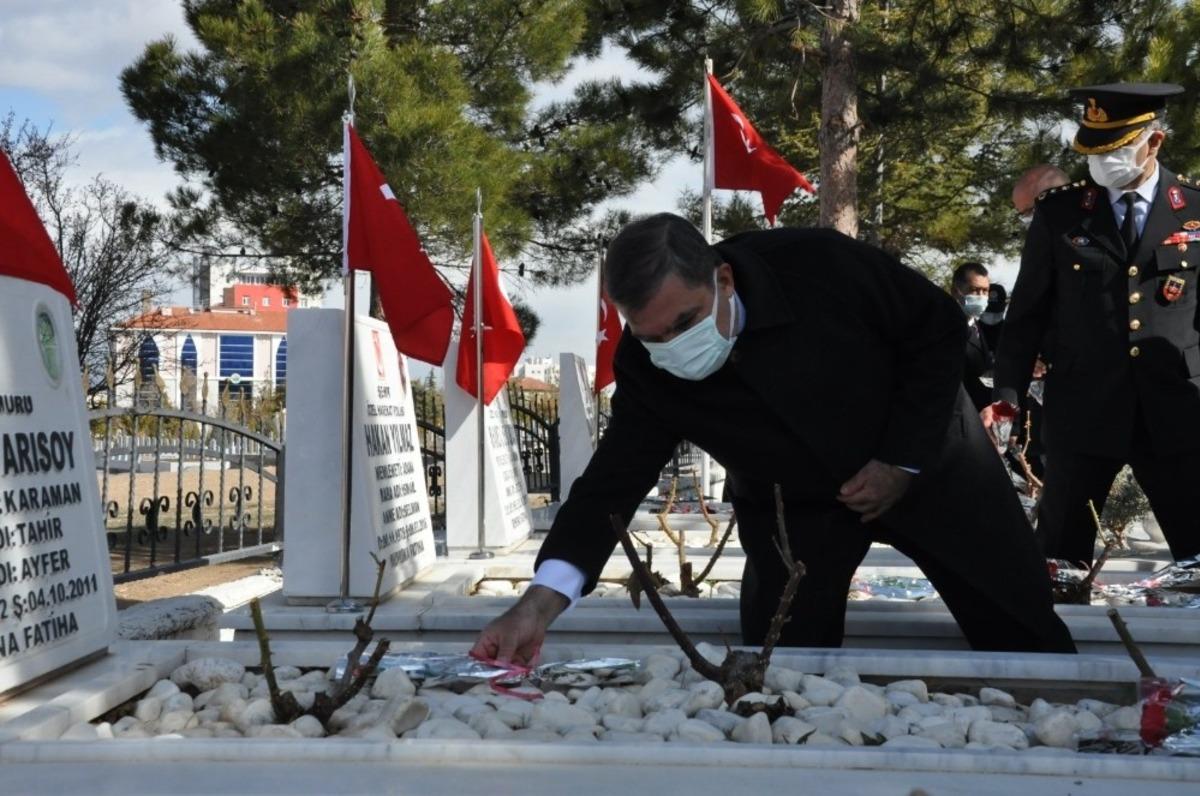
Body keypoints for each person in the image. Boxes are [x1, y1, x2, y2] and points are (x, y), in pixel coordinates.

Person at [472, 213, 1075, 665]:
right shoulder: (647, 365)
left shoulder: (817, 264)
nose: (672, 347)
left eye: (684, 324)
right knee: (779, 667)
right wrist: (537, 604)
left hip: (931, 466)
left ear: (724, 278)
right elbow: (612, 483)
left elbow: (937, 330)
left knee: (1022, 630)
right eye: (651, 336)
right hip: (794, 512)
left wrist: (900, 460)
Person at [986, 83, 1200, 567]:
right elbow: (1026, 314)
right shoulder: (1061, 212)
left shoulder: (1194, 209)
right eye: (1093, 151)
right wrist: (1008, 396)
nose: (1103, 163)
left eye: (1117, 150)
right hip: (1083, 411)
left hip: (1176, 413)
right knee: (1061, 561)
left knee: (1196, 558)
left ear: (1155, 142)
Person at [949, 262, 994, 412]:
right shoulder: (946, 328)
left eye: (985, 291)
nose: (981, 297)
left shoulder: (978, 326)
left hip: (982, 413)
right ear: (956, 291)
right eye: (975, 291)